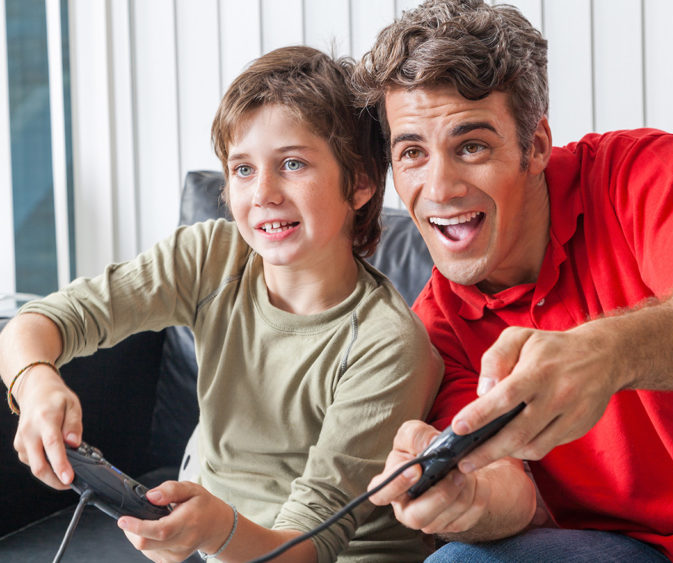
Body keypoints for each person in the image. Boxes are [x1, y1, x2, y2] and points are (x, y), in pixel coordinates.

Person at [351, 0, 673, 561]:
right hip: (627, 552)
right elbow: (512, 492)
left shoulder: (638, 172)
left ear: (537, 146)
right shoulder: (437, 330)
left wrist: (605, 354)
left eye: (471, 146)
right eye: (412, 153)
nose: (440, 187)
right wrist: (466, 499)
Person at [0, 46, 443, 562]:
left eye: (293, 164)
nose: (263, 193)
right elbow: (41, 322)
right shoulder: (211, 256)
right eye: (243, 169)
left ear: (361, 182)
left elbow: (309, 546)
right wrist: (36, 384)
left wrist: (214, 532)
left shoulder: (387, 343)